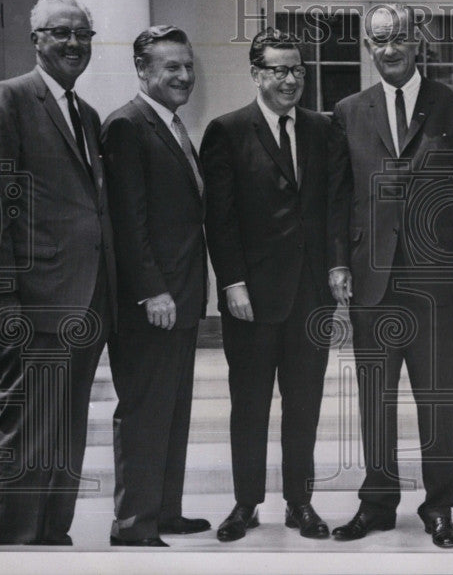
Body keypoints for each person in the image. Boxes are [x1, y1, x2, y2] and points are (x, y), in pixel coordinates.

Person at [327, 3, 453, 548]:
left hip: (436, 279)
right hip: (371, 280)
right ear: (368, 48)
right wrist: (337, 262)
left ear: (417, 41)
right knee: (375, 397)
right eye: (378, 41)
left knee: (436, 397)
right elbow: (338, 195)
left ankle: (440, 506)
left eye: (397, 39)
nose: (388, 49)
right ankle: (377, 504)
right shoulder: (348, 109)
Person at [0, 0, 116, 545]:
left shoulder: (85, 114)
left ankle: (52, 537)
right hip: (32, 302)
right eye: (61, 33)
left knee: (66, 434)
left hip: (83, 303)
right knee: (28, 435)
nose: (74, 43)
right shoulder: (8, 98)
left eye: (83, 33)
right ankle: (14, 546)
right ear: (36, 39)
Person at [200, 28, 335, 543]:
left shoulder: (324, 129)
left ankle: (300, 503)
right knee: (250, 403)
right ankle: (245, 503)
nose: (290, 79)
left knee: (305, 404)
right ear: (256, 74)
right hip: (250, 297)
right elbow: (221, 217)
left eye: (297, 69)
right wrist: (231, 281)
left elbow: (332, 209)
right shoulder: (227, 130)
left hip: (310, 297)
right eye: (278, 69)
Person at [100, 26, 210, 546]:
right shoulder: (127, 125)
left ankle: (164, 511)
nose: (184, 76)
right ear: (143, 71)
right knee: (145, 412)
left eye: (187, 65)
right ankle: (133, 525)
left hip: (181, 300)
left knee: (173, 411)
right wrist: (153, 290)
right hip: (153, 305)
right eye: (172, 68)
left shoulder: (169, 124)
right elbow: (127, 219)